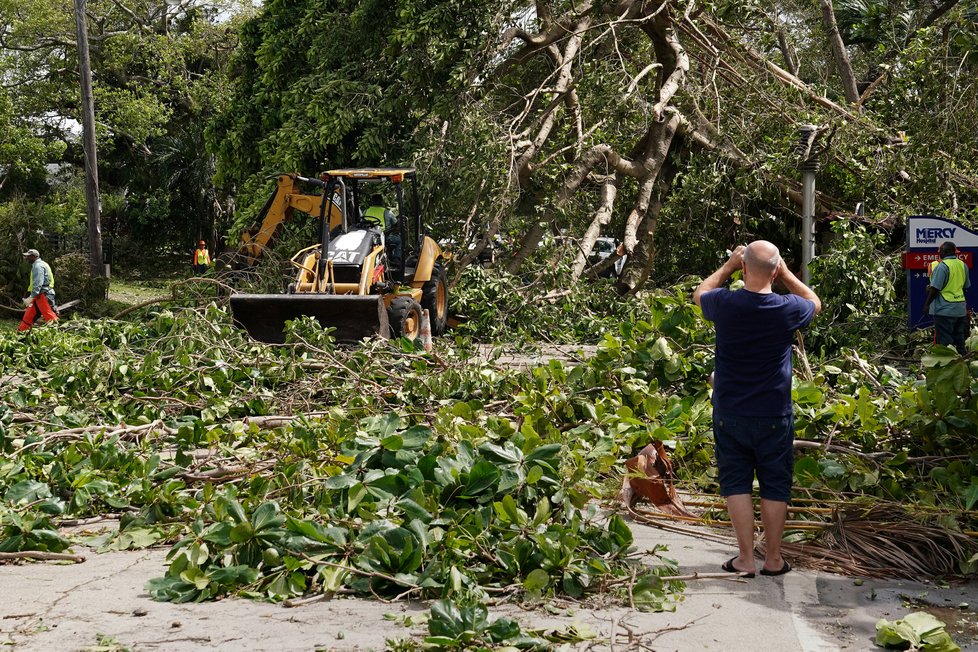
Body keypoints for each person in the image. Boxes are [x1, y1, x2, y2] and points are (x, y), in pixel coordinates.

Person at [692, 241, 821, 577]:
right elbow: (814, 302)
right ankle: (774, 559)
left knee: (736, 482)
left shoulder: (725, 303)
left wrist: (729, 266)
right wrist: (786, 273)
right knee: (775, 484)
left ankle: (746, 559)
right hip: (774, 413)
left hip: (731, 410)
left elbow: (700, 293)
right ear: (775, 270)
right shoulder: (787, 308)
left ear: (745, 268)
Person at [923, 241, 970, 351]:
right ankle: (962, 363)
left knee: (944, 343)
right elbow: (965, 286)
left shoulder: (942, 266)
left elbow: (935, 288)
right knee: (959, 340)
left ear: (945, 252)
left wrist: (927, 305)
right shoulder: (963, 265)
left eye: (940, 252)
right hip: (960, 309)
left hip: (944, 309)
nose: (939, 254)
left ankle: (946, 366)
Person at [19, 248, 58, 331]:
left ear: (34, 256)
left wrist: (31, 296)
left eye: (28, 257)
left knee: (49, 316)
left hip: (43, 294)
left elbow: (38, 282)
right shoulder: (43, 264)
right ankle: (21, 332)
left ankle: (57, 334)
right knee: (29, 315)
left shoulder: (38, 266)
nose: (26, 258)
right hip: (40, 295)